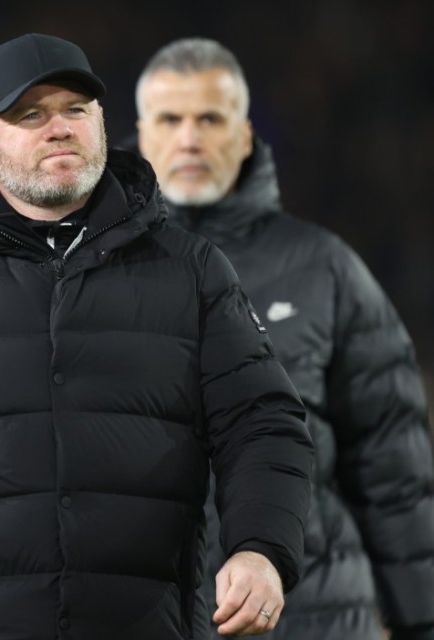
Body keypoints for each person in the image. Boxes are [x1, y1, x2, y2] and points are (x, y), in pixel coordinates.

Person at [0, 33, 314, 640]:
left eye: (75, 109)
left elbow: (263, 423)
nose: (59, 127)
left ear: (101, 123)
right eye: (30, 114)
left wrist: (261, 549)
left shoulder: (190, 270)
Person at [131, 37, 434, 640]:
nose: (190, 138)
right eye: (171, 119)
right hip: (152, 615)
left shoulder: (326, 269)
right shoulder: (93, 276)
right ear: (141, 137)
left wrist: (422, 620)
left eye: (210, 119)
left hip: (312, 616)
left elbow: (392, 468)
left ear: (244, 136)